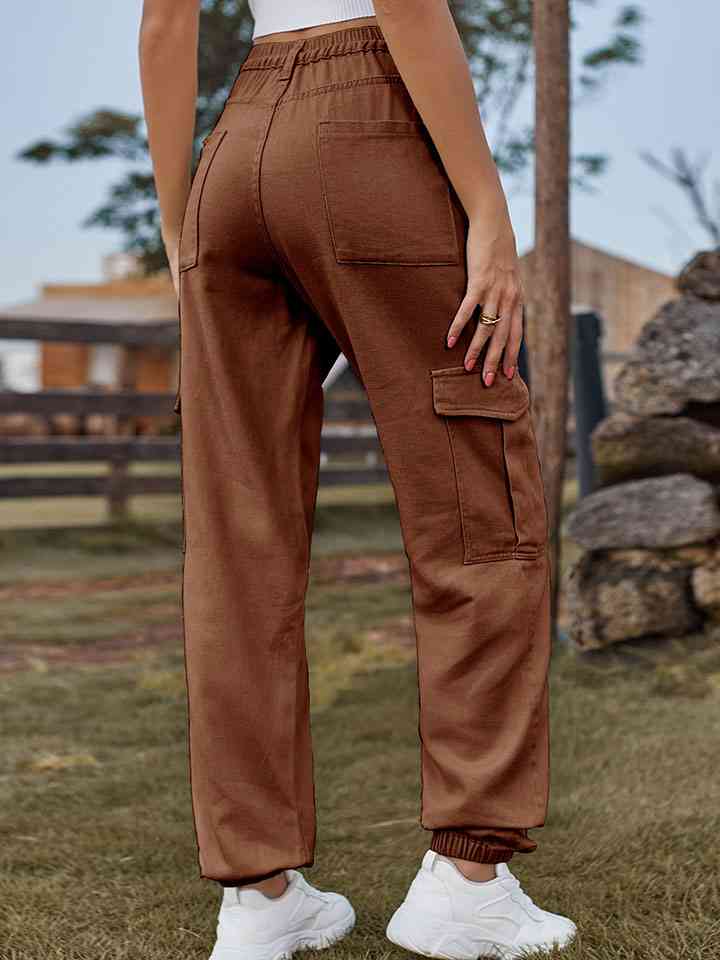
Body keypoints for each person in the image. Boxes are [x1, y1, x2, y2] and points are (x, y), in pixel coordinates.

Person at [138, 1, 577, 957]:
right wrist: (488, 209)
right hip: (370, 118)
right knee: (475, 508)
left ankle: (259, 896)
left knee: (237, 544)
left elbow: (165, 20)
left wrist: (180, 226)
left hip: (233, 149)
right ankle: (468, 880)